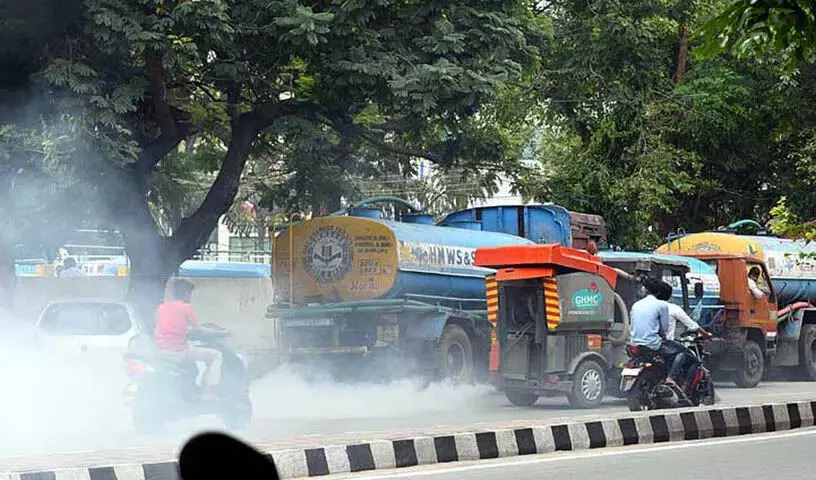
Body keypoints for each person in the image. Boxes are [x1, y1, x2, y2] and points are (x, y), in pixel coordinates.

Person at [154, 279, 223, 398]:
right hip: (178, 351)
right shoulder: (186, 307)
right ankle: (207, 392)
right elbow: (198, 330)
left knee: (190, 348)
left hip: (160, 349)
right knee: (216, 356)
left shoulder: (161, 308)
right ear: (186, 293)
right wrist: (222, 332)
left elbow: (164, 327)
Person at [628, 278, 685, 386]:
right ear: (659, 292)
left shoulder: (636, 304)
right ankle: (670, 378)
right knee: (681, 352)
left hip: (633, 344)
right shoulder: (661, 305)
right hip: (652, 344)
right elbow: (665, 328)